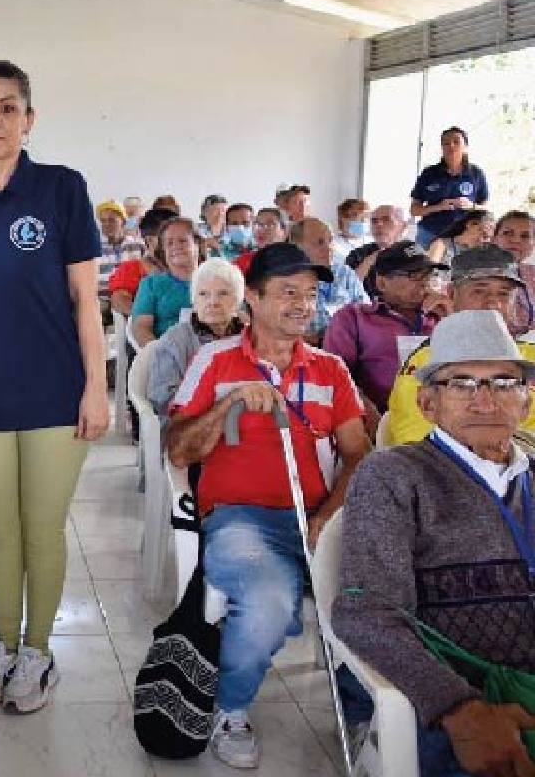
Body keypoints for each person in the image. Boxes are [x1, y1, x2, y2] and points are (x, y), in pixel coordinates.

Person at [0, 59, 108, 715]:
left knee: (42, 526)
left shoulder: (62, 188)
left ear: (28, 120)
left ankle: (38, 650)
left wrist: (96, 388)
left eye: (7, 107)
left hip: (54, 390)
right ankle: (3, 645)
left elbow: (84, 302)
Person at [166, 242, 369, 768]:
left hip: (320, 515)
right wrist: (230, 403)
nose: (304, 304)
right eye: (287, 293)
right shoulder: (214, 360)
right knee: (269, 601)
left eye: (309, 293)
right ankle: (229, 709)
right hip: (240, 517)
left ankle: (366, 710)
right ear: (251, 299)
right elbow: (179, 448)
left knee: (385, 593)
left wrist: (328, 518)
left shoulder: (330, 370)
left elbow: (358, 458)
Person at [334, 309, 535, 777]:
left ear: (525, 403)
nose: (485, 401)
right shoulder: (394, 476)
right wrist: (460, 711)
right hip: (458, 695)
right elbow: (366, 612)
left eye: (504, 383)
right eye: (461, 383)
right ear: (427, 404)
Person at [388, 246, 535, 445]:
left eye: (503, 294)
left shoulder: (530, 355)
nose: (493, 304)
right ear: (451, 293)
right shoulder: (428, 359)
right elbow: (415, 439)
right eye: (479, 291)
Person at [324, 242, 444, 412]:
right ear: (382, 283)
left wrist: (454, 315)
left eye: (428, 275)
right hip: (379, 418)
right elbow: (335, 377)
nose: (424, 283)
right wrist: (366, 414)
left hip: (439, 420)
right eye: (414, 276)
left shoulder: (441, 316)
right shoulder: (354, 318)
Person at [148, 257, 245, 418]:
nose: (213, 302)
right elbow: (162, 398)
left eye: (223, 294)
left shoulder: (249, 338)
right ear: (194, 301)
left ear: (237, 301)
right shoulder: (174, 340)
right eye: (203, 294)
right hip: (191, 425)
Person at [290, 217, 369, 343]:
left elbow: (366, 312)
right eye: (320, 242)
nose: (329, 248)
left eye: (330, 241)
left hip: (348, 343)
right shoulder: (287, 278)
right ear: (297, 247)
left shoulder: (345, 273)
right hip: (305, 348)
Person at [411, 126, 489, 250]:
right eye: (446, 143)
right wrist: (439, 207)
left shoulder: (476, 173)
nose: (451, 146)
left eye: (456, 142)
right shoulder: (428, 173)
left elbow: (486, 208)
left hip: (463, 236)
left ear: (466, 147)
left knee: (459, 268)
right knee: (423, 268)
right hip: (429, 234)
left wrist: (471, 206)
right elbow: (414, 210)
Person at [131, 217, 201, 346]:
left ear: (197, 244)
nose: (176, 247)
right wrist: (161, 354)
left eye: (182, 241)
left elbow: (239, 317)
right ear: (163, 250)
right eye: (169, 243)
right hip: (168, 355)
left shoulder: (216, 278)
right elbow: (141, 328)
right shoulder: (151, 284)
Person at [107, 207, 174, 316]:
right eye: (169, 238)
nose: (177, 244)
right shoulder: (132, 268)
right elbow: (119, 301)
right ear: (149, 240)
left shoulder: (189, 266)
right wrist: (151, 318)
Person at [345, 204, 408, 286]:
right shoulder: (358, 254)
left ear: (402, 226)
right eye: (374, 221)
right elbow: (346, 286)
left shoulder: (412, 250)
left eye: (386, 220)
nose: (379, 224)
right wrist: (370, 261)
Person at [96, 199, 140, 289]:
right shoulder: (95, 248)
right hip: (102, 298)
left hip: (132, 297)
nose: (106, 224)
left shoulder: (138, 246)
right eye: (103, 221)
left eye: (111, 220)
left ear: (123, 222)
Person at [428, 208, 494, 266]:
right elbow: (429, 272)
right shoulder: (441, 245)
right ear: (470, 224)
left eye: (488, 238)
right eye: (483, 234)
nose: (486, 241)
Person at [495, 210, 535, 305]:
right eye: (507, 233)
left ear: (533, 244)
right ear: (494, 239)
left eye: (525, 236)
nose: (516, 240)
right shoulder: (473, 274)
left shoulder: (532, 274)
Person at [233, 207, 287, 274]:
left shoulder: (295, 260)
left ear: (284, 231)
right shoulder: (243, 261)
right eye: (258, 224)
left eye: (270, 224)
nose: (261, 229)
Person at [333, 198, 370, 263]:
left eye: (366, 217)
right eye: (360, 218)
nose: (364, 222)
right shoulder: (334, 245)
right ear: (344, 219)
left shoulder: (372, 241)